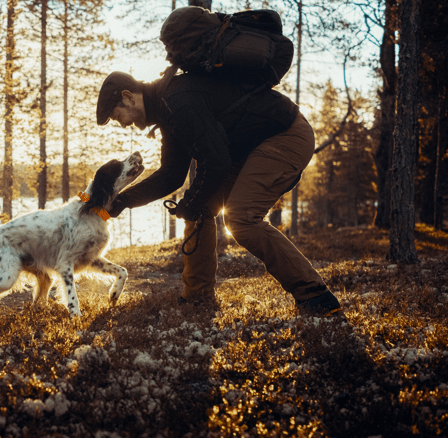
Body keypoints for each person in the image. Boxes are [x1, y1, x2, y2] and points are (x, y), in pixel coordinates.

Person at [95, 67, 343, 317]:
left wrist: (192, 199)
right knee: (198, 209)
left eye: (118, 116)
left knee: (241, 218)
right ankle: (197, 298)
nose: (124, 124)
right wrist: (122, 201)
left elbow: (216, 161)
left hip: (285, 135)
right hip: (247, 148)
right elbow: (171, 174)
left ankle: (315, 295)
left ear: (128, 97)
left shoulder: (177, 101)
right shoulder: (166, 109)